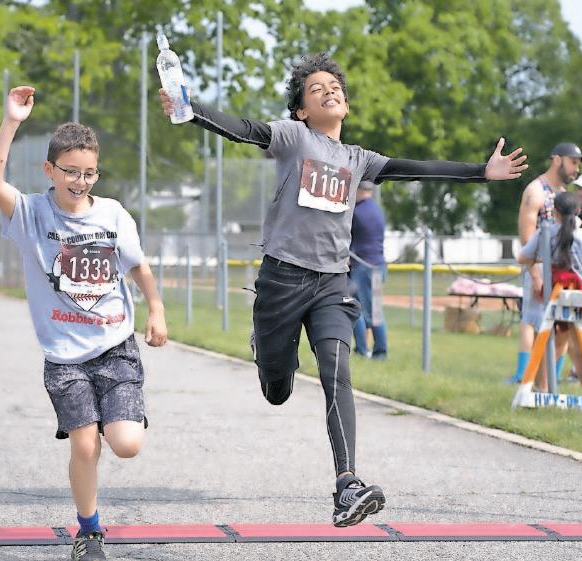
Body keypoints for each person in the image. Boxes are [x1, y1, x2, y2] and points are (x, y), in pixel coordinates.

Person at [159, 52, 527, 527]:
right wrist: (190, 108)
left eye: (335, 88)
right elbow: (244, 129)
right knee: (276, 390)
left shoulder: (359, 159)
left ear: (346, 106)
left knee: (337, 370)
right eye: (316, 90)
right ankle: (267, 350)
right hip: (282, 280)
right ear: (302, 111)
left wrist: (481, 171)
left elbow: (414, 167)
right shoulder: (294, 137)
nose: (329, 92)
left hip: (332, 282)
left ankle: (347, 485)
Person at [0, 85, 167, 561]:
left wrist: (157, 310)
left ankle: (116, 413)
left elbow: (139, 266)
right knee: (85, 446)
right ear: (50, 170)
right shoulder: (32, 214)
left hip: (115, 347)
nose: (80, 181)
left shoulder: (113, 214)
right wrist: (12, 121)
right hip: (64, 357)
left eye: (89, 173)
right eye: (70, 171)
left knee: (126, 444)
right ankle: (89, 531)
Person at [508, 142, 582, 385]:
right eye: (573, 162)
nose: (576, 169)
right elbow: (527, 236)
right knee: (534, 323)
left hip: (564, 273)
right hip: (540, 269)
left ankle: (551, 379)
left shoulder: (564, 193)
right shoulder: (536, 191)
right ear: (557, 160)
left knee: (563, 327)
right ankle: (526, 377)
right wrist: (535, 274)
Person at [518, 191, 582, 397]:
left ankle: (547, 389)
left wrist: (541, 259)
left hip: (558, 296)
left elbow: (523, 257)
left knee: (575, 350)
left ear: (554, 211)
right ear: (578, 211)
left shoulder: (543, 233)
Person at [349, 181, 387, 359]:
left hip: (363, 268)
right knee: (375, 311)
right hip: (378, 265)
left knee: (357, 309)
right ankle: (375, 349)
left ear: (358, 190)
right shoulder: (376, 210)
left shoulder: (356, 212)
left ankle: (371, 351)